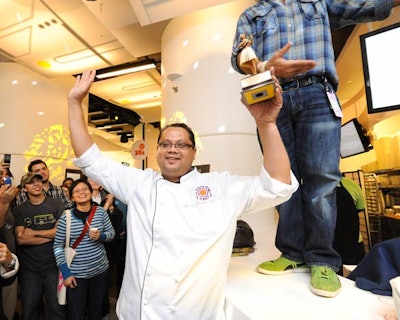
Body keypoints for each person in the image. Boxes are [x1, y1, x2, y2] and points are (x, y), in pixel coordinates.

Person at [66, 69, 298, 319]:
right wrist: (74, 102)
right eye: (165, 144)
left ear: (194, 151)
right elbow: (89, 159)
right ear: (157, 151)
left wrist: (267, 124)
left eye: (180, 144)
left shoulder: (220, 188)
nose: (172, 150)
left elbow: (276, 185)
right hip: (137, 313)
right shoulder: (139, 184)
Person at [231, 0, 400, 298]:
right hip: (272, 94)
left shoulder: (319, 2)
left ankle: (322, 259)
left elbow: (367, 6)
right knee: (283, 181)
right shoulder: (251, 14)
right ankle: (292, 253)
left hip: (317, 93)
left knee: (322, 179)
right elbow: (240, 57)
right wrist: (265, 65)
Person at [53, 179, 115, 320]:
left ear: (91, 192)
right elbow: (57, 246)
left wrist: (101, 236)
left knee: (96, 312)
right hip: (76, 275)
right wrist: (66, 273)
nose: (81, 192)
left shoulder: (100, 212)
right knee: (76, 314)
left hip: (100, 272)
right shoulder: (66, 217)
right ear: (71, 197)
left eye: (84, 189)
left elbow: (111, 234)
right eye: (76, 191)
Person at [13, 172, 66, 320]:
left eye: (38, 181)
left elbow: (60, 233)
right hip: (30, 269)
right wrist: (51, 235)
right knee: (29, 311)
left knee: (56, 309)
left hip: (53, 266)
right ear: (24, 189)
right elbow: (21, 240)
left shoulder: (56, 204)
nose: (36, 184)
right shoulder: (20, 209)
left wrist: (34, 233)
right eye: (31, 182)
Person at [334, 176, 366, 272]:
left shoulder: (315, 186)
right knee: (355, 278)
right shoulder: (351, 184)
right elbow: (360, 208)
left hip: (329, 245)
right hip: (352, 243)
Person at [0, 174, 19, 320]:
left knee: (8, 309)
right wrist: (4, 203)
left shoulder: (6, 196)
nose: (3, 178)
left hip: (9, 264)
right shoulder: (4, 199)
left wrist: (10, 261)